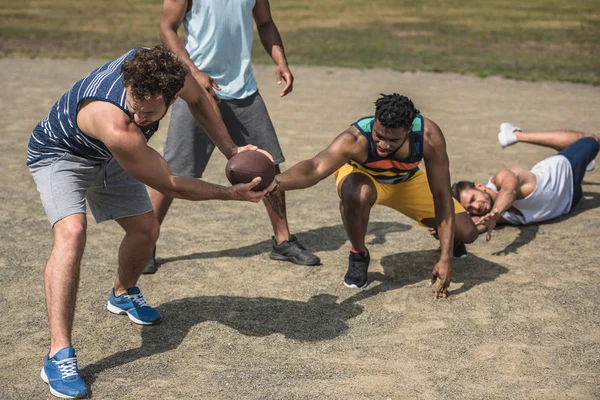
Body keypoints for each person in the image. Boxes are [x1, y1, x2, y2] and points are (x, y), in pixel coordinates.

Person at [27, 45, 269, 399]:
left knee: (146, 231)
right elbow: (170, 185)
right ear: (128, 84)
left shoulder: (172, 74)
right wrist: (229, 193)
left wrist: (233, 151)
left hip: (113, 156)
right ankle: (58, 354)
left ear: (171, 96)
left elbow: (201, 100)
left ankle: (122, 292)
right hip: (61, 154)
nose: (141, 117)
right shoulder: (119, 123)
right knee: (72, 232)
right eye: (135, 107)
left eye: (150, 112)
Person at [144, 0, 319, 274]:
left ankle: (283, 241)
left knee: (267, 164)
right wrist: (192, 71)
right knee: (174, 172)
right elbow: (167, 28)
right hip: (194, 89)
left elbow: (265, 23)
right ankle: (146, 243)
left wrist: (280, 61)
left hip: (243, 89)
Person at [265, 94, 478, 299]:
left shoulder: (428, 137)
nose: (383, 144)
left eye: (392, 139)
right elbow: (314, 168)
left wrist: (445, 258)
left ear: (408, 129)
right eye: (379, 135)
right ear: (375, 122)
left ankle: (446, 237)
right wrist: (275, 183)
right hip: (364, 179)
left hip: (406, 180)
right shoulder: (355, 138)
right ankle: (358, 254)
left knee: (467, 232)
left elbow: (441, 195)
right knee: (357, 192)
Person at [451, 123, 599, 241]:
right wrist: (444, 230)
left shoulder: (501, 178)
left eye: (473, 199)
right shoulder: (486, 216)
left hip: (564, 171)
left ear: (480, 186)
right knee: (579, 150)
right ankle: (585, 162)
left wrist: (496, 213)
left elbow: (509, 191)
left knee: (591, 140)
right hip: (571, 200)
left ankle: (516, 135)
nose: (476, 206)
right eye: (470, 208)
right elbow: (472, 229)